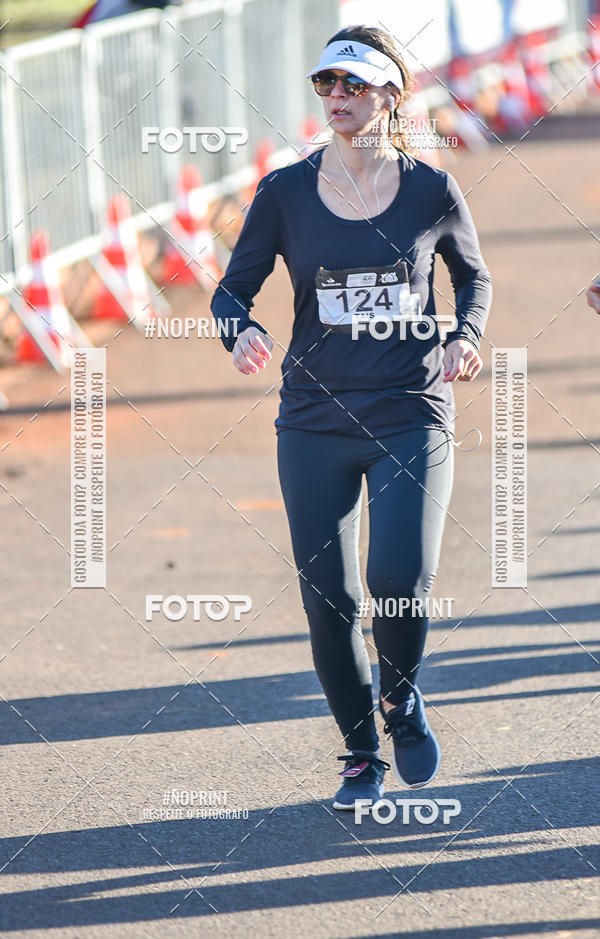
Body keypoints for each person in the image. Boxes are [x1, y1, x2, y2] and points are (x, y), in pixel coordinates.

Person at [211, 25, 492, 810]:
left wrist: (465, 337)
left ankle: (400, 699)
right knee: (327, 599)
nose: (337, 98)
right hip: (313, 420)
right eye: (326, 86)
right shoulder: (284, 191)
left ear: (390, 97)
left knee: (399, 582)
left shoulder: (432, 188)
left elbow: (475, 278)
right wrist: (244, 330)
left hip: (410, 411)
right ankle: (359, 752)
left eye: (354, 85)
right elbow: (231, 290)